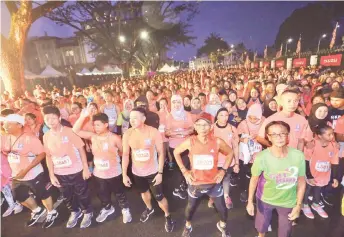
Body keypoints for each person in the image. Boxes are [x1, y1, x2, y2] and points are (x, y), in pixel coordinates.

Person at [173, 112, 234, 237]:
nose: (202, 128)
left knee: (223, 210)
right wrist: (184, 171)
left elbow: (230, 152)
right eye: (199, 125)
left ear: (211, 127)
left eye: (205, 125)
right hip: (196, 184)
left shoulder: (217, 142)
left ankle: (222, 225)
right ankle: (188, 226)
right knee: (190, 210)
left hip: (214, 183)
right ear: (195, 127)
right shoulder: (190, 141)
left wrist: (223, 170)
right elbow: (176, 152)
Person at [247, 121, 306, 237]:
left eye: (282, 133)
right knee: (262, 226)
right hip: (265, 199)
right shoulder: (262, 157)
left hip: (288, 201)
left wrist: (298, 205)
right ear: (268, 137)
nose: (279, 137)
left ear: (287, 135)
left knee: (285, 232)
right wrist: (249, 201)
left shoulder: (298, 156)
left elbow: (301, 181)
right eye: (274, 134)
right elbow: (254, 179)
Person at [72, 109, 132, 224]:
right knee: (102, 193)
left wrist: (121, 169)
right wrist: (83, 116)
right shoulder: (93, 137)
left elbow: (123, 152)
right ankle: (108, 208)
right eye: (94, 125)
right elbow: (75, 130)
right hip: (99, 173)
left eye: (98, 125)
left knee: (119, 193)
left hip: (115, 172)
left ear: (106, 124)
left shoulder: (115, 138)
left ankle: (125, 209)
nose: (95, 127)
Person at [121, 107, 175, 232]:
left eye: (135, 117)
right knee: (144, 193)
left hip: (153, 172)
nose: (132, 120)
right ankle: (149, 208)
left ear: (143, 119)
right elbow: (125, 154)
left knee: (160, 197)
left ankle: (168, 215)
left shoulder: (153, 132)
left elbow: (161, 153)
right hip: (137, 173)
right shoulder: (128, 133)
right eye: (131, 118)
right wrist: (124, 174)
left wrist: (160, 172)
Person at [1, 114, 57, 228]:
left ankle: (52, 212)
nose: (5, 125)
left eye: (8, 123)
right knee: (19, 196)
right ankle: (37, 211)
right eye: (4, 123)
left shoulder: (29, 138)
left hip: (33, 173)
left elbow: (41, 154)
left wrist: (26, 170)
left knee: (42, 194)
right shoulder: (6, 137)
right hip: (16, 174)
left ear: (18, 125)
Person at [42, 106, 93, 228]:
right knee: (66, 195)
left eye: (53, 118)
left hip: (76, 170)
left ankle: (87, 212)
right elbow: (48, 157)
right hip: (60, 173)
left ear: (59, 118)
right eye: (47, 119)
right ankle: (75, 211)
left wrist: (86, 168)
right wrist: (52, 174)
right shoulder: (46, 136)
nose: (50, 121)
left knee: (82, 193)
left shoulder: (70, 131)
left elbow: (81, 149)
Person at [302, 124, 339, 219]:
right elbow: (306, 160)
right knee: (308, 189)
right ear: (320, 136)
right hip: (311, 173)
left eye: (332, 134)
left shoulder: (334, 146)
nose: (332, 136)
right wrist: (309, 175)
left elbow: (334, 162)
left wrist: (334, 177)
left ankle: (315, 203)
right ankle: (305, 204)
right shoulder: (313, 144)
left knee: (318, 189)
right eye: (329, 134)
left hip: (323, 174)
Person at [165, 95, 194, 200]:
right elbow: (167, 132)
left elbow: (192, 129)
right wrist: (182, 133)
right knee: (178, 167)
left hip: (187, 145)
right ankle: (177, 189)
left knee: (186, 165)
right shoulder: (169, 116)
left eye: (178, 102)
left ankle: (183, 185)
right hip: (175, 146)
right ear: (171, 104)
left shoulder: (187, 114)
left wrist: (179, 132)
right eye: (174, 102)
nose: (176, 104)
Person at [212, 108, 239, 209]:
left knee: (226, 179)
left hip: (228, 161)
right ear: (217, 116)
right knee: (214, 180)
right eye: (221, 115)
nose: (224, 118)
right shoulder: (211, 128)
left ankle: (226, 196)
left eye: (226, 115)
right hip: (214, 161)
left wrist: (237, 163)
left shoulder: (232, 129)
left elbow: (235, 147)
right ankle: (213, 198)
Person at [237, 103, 265, 203]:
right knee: (245, 172)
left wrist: (258, 137)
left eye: (255, 118)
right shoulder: (243, 123)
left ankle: (256, 191)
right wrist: (242, 139)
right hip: (246, 153)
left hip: (259, 152)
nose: (252, 120)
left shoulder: (264, 122)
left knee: (257, 173)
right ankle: (245, 190)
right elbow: (236, 137)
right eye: (250, 118)